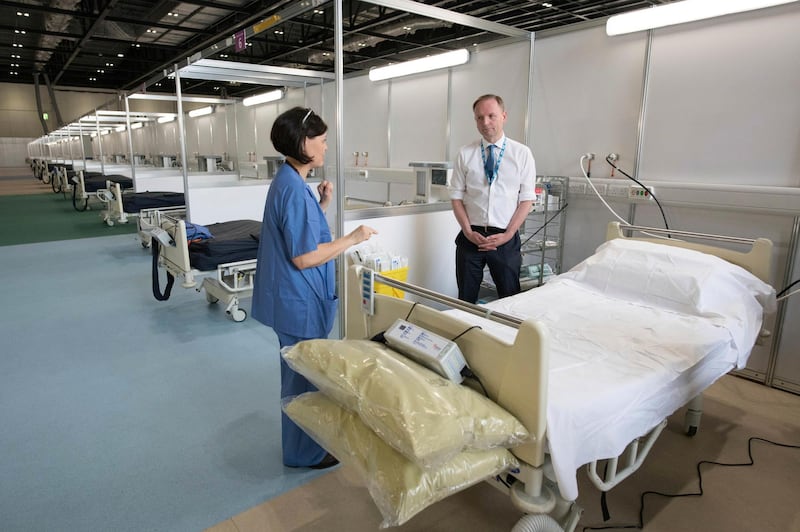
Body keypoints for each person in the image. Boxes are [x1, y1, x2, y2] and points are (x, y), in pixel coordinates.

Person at [252, 106, 377, 469]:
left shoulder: (291, 180)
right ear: (304, 143)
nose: (325, 148)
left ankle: (303, 447)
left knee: (302, 377)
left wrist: (322, 204)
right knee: (300, 382)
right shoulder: (292, 188)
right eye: (322, 141)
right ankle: (301, 454)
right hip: (297, 302)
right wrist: (352, 237)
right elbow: (305, 257)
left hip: (295, 299)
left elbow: (301, 234)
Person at [449, 94, 536, 304]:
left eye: (491, 116)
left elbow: (526, 199)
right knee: (466, 298)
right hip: (472, 237)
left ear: (503, 116)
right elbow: (456, 197)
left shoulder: (521, 154)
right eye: (480, 117)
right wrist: (468, 232)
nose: (485, 122)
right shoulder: (465, 153)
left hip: (505, 238)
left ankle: (507, 336)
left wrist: (509, 233)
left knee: (510, 297)